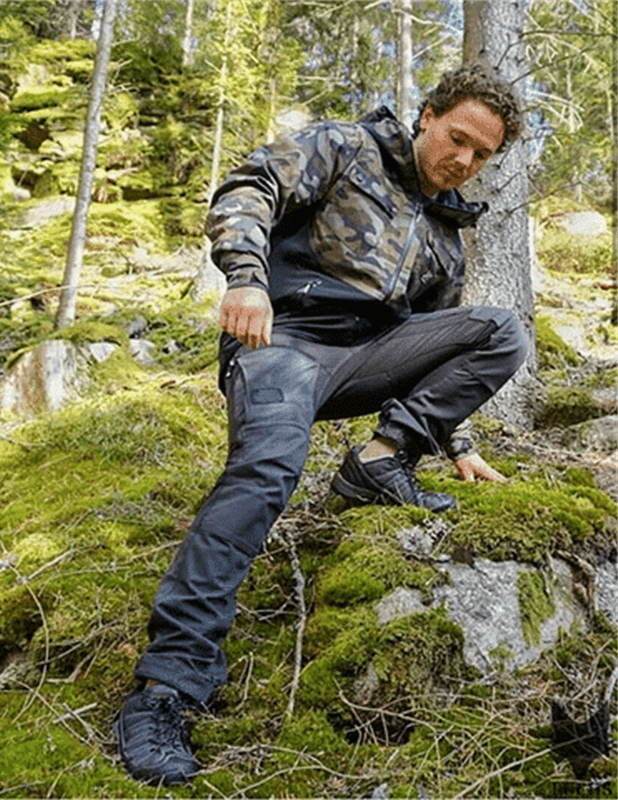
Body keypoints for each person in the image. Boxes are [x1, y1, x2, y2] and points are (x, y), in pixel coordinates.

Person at [114, 64, 528, 785]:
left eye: (481, 155)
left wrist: (454, 441)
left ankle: (379, 461)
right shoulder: (344, 146)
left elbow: (440, 340)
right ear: (427, 116)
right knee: (269, 469)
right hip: (282, 343)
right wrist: (245, 276)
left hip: (367, 358)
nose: (463, 160)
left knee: (501, 329)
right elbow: (250, 188)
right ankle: (165, 688)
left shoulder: (446, 234)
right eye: (458, 138)